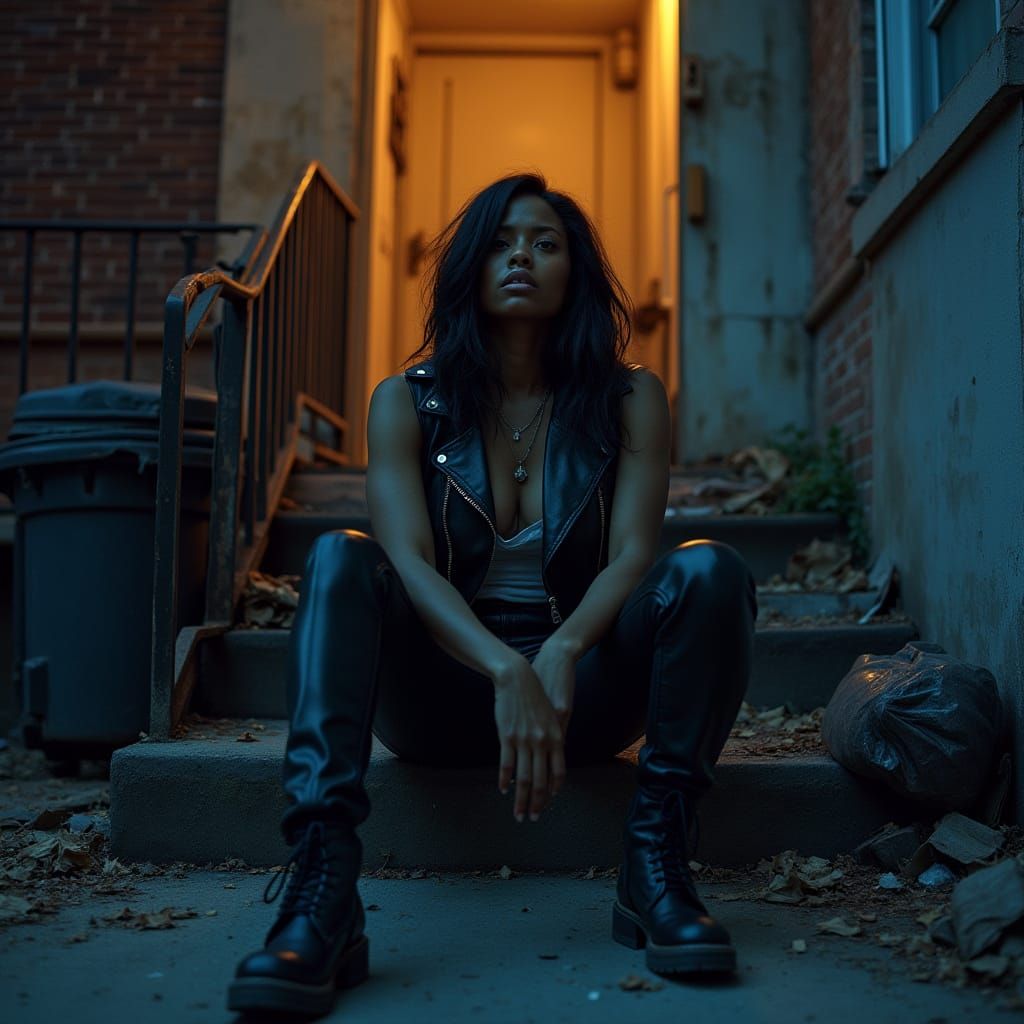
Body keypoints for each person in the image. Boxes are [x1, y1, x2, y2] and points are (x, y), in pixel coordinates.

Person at [228, 172, 758, 1016]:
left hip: (577, 693)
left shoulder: (630, 399)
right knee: (342, 558)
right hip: (441, 696)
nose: (523, 256)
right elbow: (408, 560)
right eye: (504, 242)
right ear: (471, 267)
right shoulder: (407, 402)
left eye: (546, 243)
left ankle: (656, 864)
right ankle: (323, 886)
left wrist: (557, 653)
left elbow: (630, 556)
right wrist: (502, 669)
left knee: (709, 569)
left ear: (574, 273)